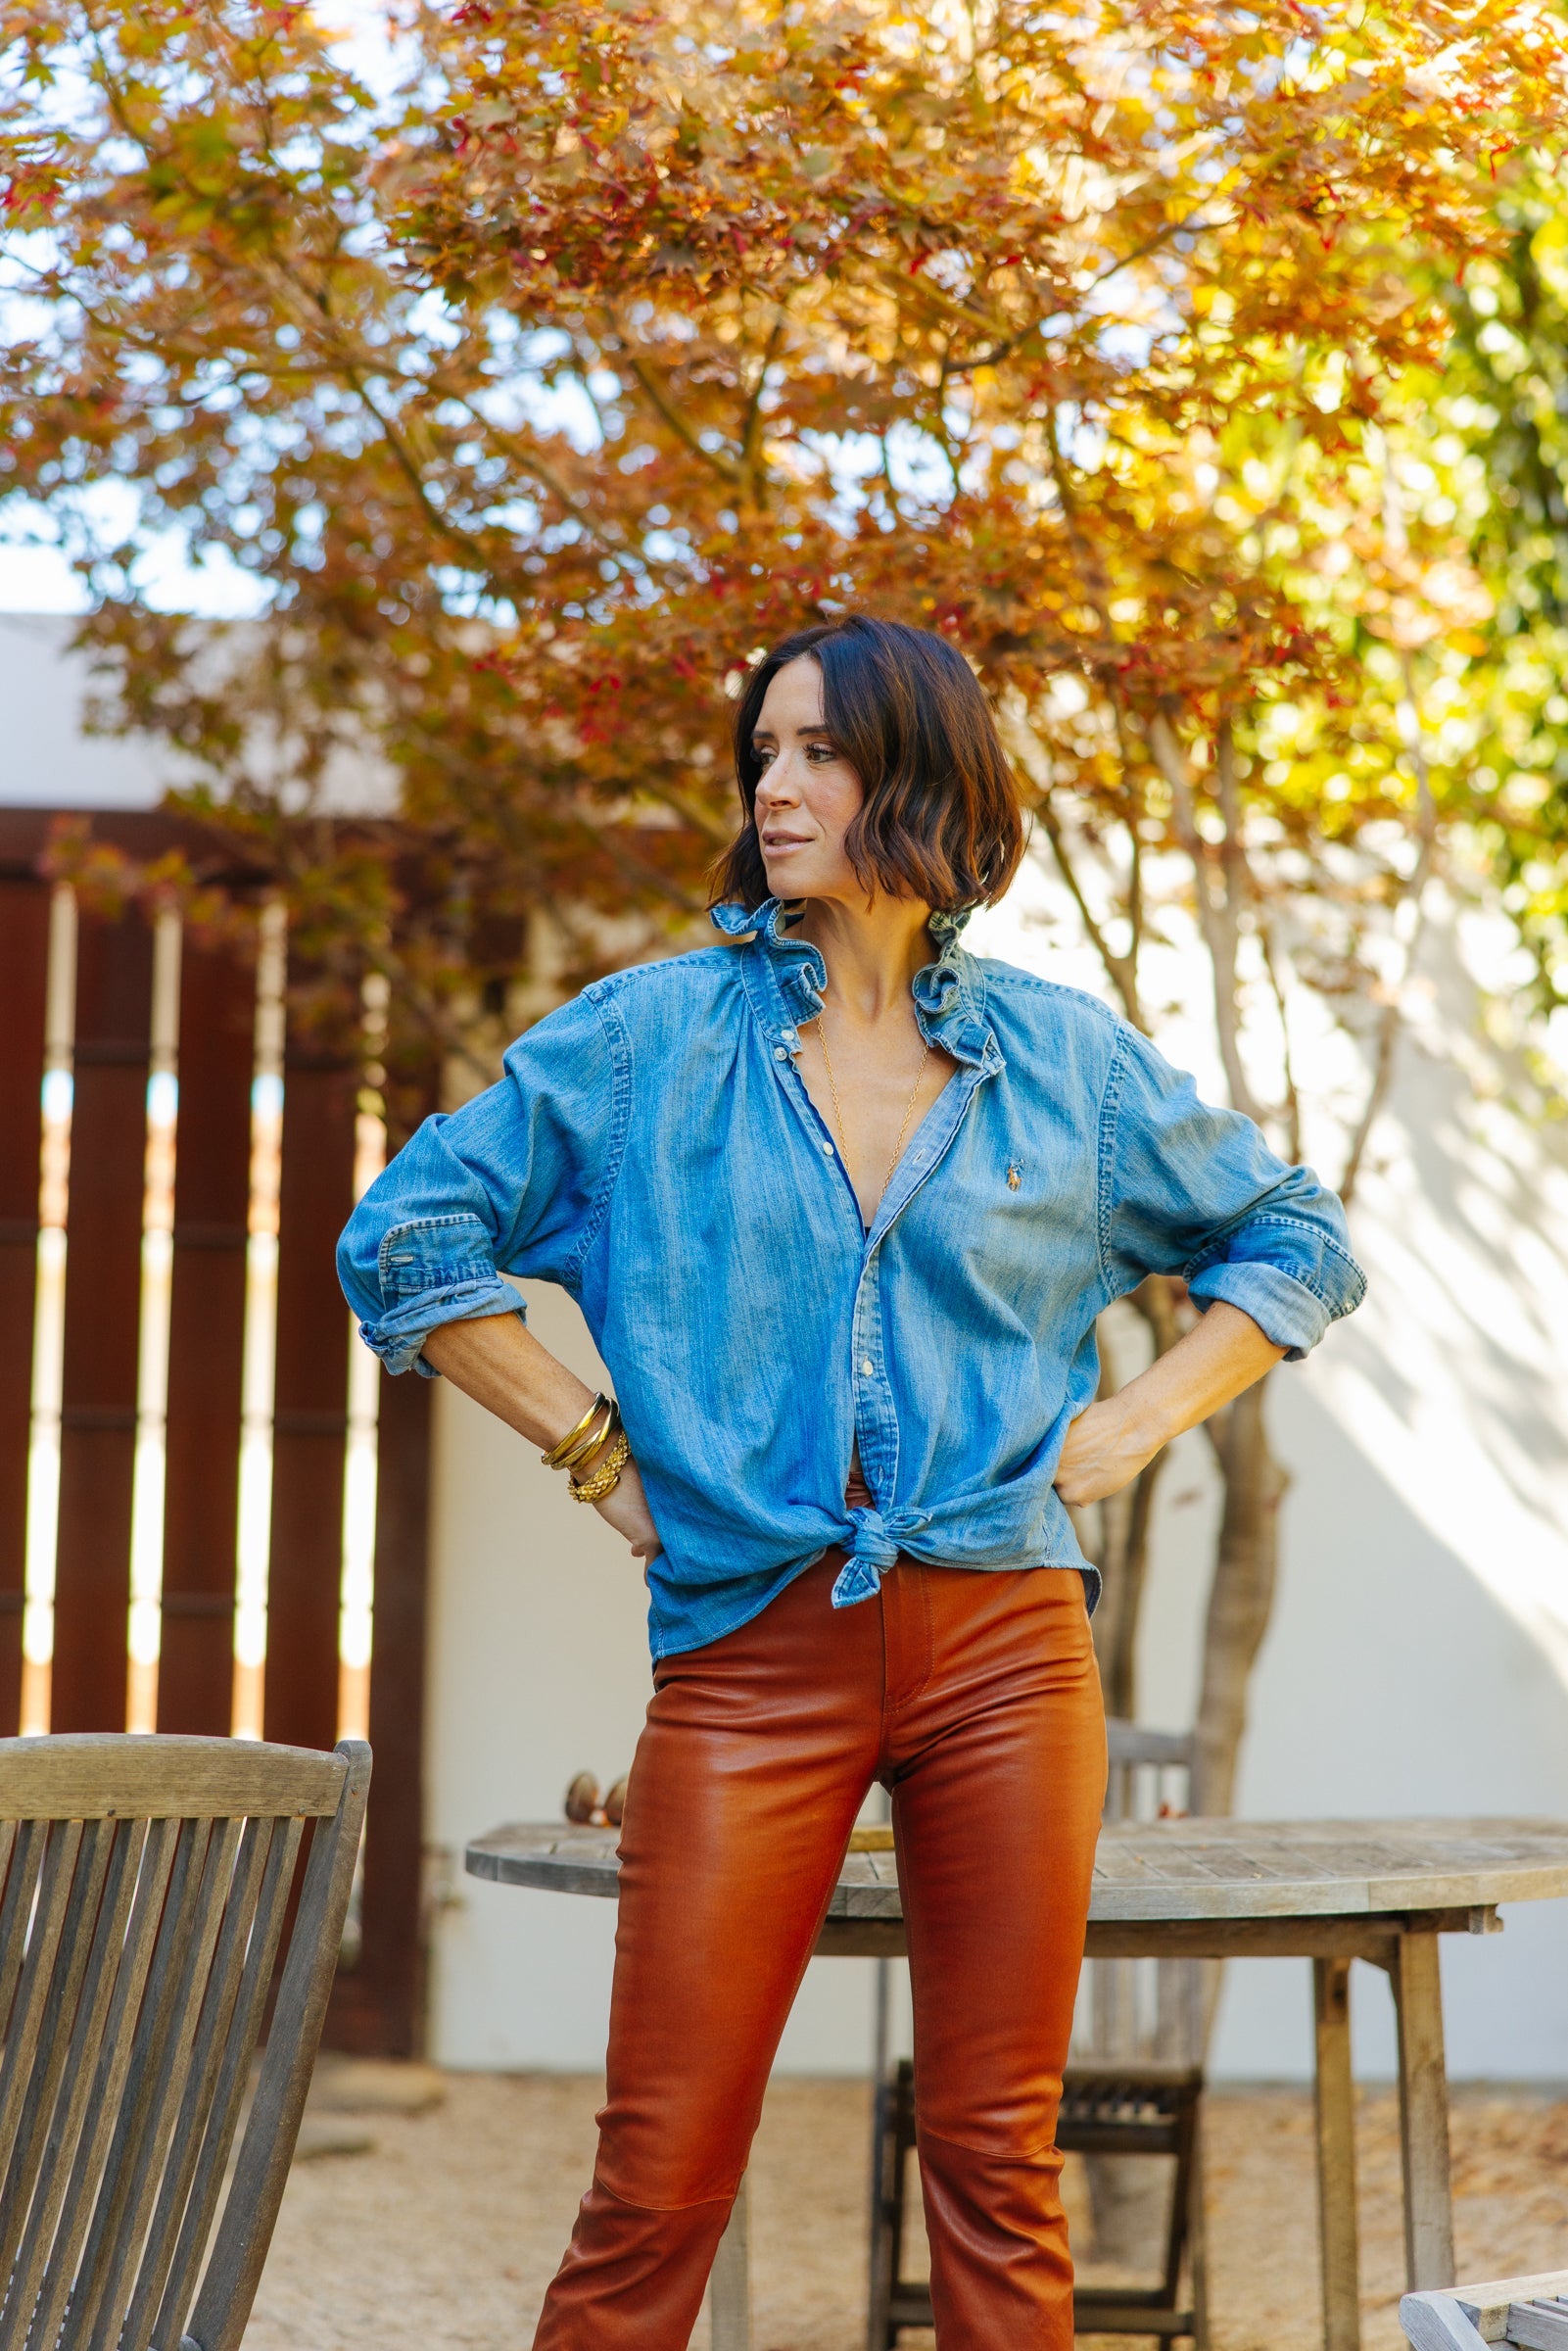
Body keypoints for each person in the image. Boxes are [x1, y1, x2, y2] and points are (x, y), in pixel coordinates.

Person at [338, 614, 1364, 2349]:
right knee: (657, 2175)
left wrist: (1133, 1426)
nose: (776, 782)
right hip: (750, 1654)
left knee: (992, 2165)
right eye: (767, 751)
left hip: (1010, 1647)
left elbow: (1296, 1234)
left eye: (818, 749)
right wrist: (593, 1448)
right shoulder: (646, 1041)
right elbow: (405, 1236)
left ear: (917, 775)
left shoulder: (1066, 1064)